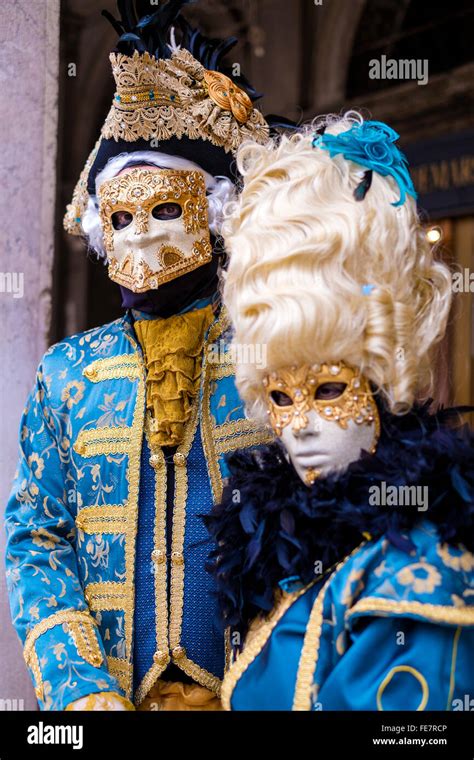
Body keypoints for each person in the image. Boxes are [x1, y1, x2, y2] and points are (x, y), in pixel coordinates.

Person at [4, 0, 274, 712]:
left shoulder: (274, 356)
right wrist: (78, 686)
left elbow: (319, 523)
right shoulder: (66, 374)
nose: (143, 238)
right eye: (121, 217)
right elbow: (36, 535)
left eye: (166, 211)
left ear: (210, 214)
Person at [207, 112, 474, 711]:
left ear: (383, 382)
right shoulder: (298, 561)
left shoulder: (419, 574)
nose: (299, 426)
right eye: (279, 396)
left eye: (329, 389)